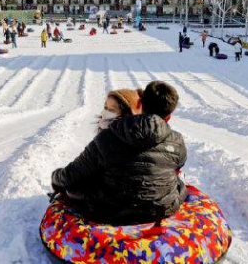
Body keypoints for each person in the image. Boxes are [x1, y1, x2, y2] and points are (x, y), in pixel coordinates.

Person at [51, 81, 186, 225]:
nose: (105, 113)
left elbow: (71, 175)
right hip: (162, 210)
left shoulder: (107, 137)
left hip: (113, 212)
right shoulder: (177, 140)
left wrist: (56, 177)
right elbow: (178, 166)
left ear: (139, 104)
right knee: (178, 182)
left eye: (111, 109)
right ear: (168, 117)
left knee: (77, 187)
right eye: (105, 108)